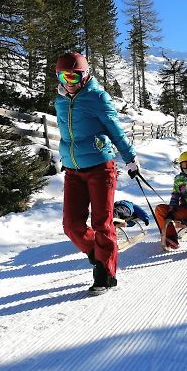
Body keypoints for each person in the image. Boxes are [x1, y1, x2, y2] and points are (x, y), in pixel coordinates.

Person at [54, 52, 140, 295]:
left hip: (101, 168)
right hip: (73, 170)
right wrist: (66, 157)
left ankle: (104, 272)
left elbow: (115, 130)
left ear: (85, 74)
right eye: (63, 75)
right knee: (71, 225)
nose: (68, 81)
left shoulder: (98, 97)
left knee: (101, 222)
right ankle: (98, 253)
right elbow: (66, 134)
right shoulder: (59, 100)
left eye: (74, 75)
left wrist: (130, 158)